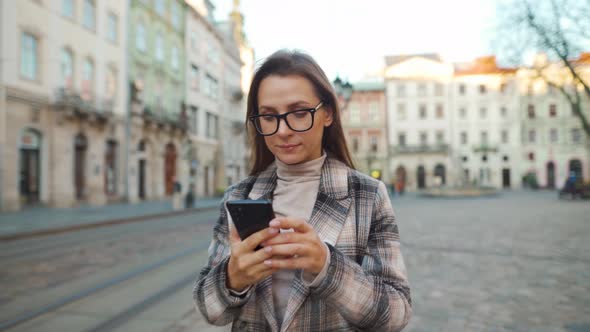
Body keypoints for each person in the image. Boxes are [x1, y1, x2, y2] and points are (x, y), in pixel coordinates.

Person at [193, 50, 411, 331]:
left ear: (328, 113)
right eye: (269, 116)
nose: (282, 130)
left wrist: (327, 266)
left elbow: (396, 314)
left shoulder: (367, 195)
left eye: (298, 113)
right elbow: (210, 310)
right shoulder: (239, 197)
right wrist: (232, 278)